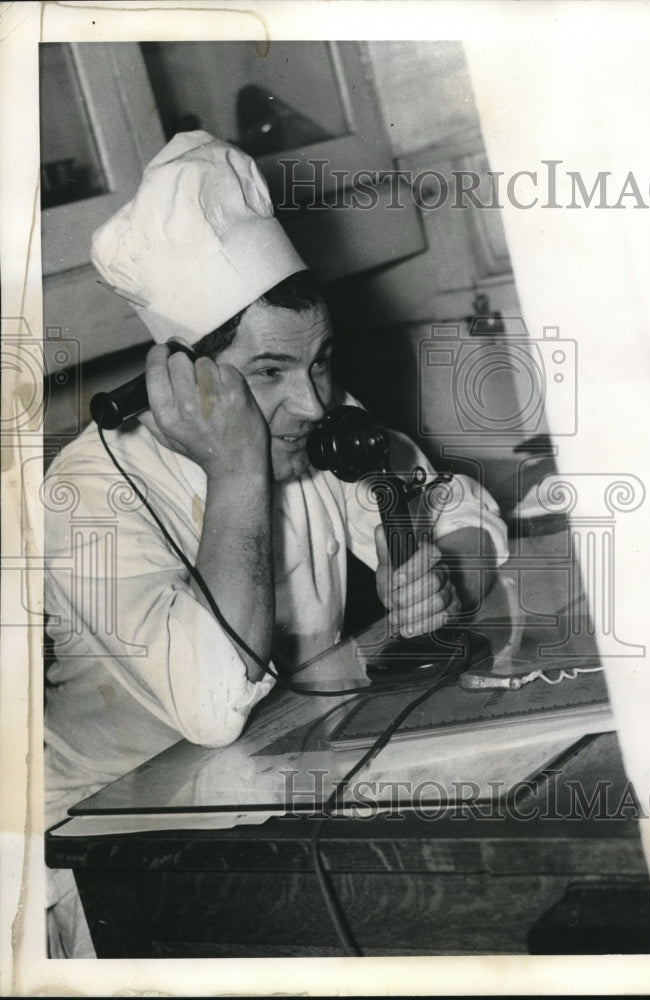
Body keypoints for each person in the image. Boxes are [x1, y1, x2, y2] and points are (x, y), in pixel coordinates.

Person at [44, 131, 510, 956]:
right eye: (268, 373)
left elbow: (446, 499)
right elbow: (213, 703)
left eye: (322, 361)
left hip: (270, 790)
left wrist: (454, 571)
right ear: (182, 379)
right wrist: (235, 471)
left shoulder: (309, 418)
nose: (314, 402)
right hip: (97, 860)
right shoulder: (86, 495)